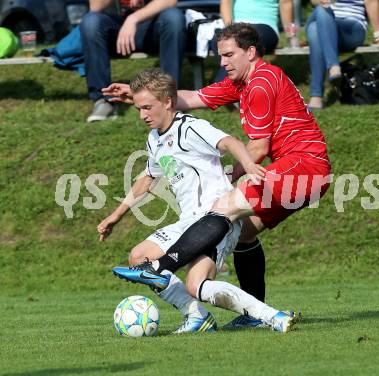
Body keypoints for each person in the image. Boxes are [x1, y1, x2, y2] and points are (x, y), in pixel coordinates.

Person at [104, 23, 331, 329]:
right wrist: (136, 95)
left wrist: (233, 174)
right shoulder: (240, 83)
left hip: (304, 165)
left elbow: (259, 147)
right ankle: (256, 317)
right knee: (245, 233)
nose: (222, 62)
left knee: (225, 206)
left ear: (250, 53)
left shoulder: (261, 82)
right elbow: (187, 98)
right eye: (220, 55)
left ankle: (160, 266)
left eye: (228, 55)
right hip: (297, 168)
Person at [80, 0, 186, 122]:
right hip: (117, 29)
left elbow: (169, 1)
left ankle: (168, 99)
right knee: (91, 22)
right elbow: (95, 6)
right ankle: (102, 101)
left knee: (173, 17)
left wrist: (133, 18)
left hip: (152, 27)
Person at [306, 0, 379, 110]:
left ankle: (316, 97)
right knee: (321, 11)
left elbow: (371, 1)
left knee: (314, 29)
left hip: (352, 28)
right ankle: (334, 67)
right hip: (324, 20)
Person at [211, 0, 296, 82]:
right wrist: (230, 31)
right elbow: (226, 2)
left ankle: (218, 93)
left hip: (265, 27)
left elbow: (286, 3)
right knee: (218, 42)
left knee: (240, 44)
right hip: (237, 27)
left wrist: (291, 35)